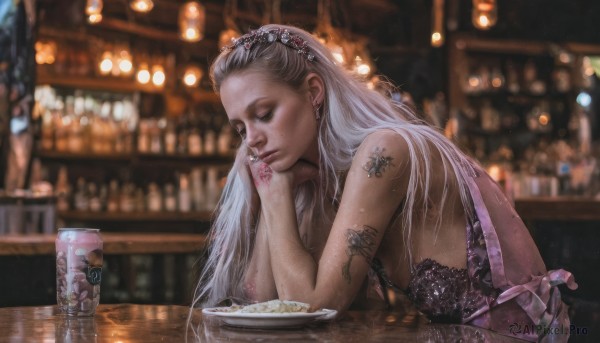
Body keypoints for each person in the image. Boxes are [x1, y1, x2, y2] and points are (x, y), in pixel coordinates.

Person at [191, 24, 577, 342]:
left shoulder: (385, 152)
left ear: (312, 92)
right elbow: (260, 301)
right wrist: (279, 187)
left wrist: (274, 196)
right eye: (240, 127)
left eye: (264, 114)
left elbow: (309, 308)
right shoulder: (323, 177)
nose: (252, 141)